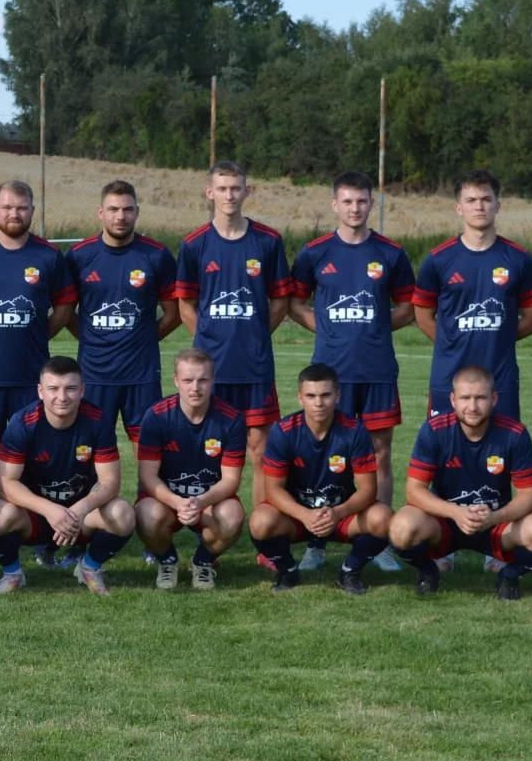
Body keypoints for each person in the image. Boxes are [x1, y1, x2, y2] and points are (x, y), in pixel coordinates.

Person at [288, 170, 417, 576]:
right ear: (335, 205)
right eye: (347, 201)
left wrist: (375, 326)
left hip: (376, 371)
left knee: (379, 455)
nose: (355, 208)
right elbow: (294, 303)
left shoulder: (391, 253)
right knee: (324, 458)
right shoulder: (314, 253)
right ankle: (317, 540)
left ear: (371, 203)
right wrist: (327, 329)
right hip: (330, 375)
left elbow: (409, 307)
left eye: (362, 201)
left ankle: (377, 541)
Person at [388, 366, 532, 600]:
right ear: (453, 400)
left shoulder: (514, 433)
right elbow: (414, 490)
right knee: (400, 528)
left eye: (480, 398)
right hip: (445, 522)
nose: (473, 406)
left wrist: (495, 517)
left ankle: (509, 576)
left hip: (495, 522)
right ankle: (428, 570)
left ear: (494, 399)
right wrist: (456, 512)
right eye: (465, 398)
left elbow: (529, 494)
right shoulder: (434, 430)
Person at [0, 181, 77, 475]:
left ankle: (25, 507)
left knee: (34, 457)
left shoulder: (49, 255)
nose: (14, 214)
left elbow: (65, 306)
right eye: (7, 207)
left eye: (21, 208)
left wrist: (38, 334)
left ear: (32, 210)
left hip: (31, 377)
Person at [175, 160, 293, 465]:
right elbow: (185, 305)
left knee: (260, 448)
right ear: (210, 192)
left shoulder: (268, 241)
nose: (229, 195)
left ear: (247, 191)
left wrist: (257, 334)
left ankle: (261, 504)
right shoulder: (193, 244)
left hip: (255, 365)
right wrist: (207, 339)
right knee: (210, 448)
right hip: (211, 367)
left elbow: (281, 301)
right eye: (222, 189)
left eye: (235, 189)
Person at [0, 356, 134, 595]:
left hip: (80, 516)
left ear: (82, 390)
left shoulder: (97, 421)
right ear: (40, 391)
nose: (62, 397)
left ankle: (89, 567)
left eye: (70, 388)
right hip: (35, 514)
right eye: (53, 389)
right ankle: (13, 573)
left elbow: (110, 481)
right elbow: (5, 483)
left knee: (123, 513)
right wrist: (49, 509)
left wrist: (79, 510)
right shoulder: (22, 423)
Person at [412, 170, 532, 423]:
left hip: (500, 379)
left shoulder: (519, 258)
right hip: (448, 378)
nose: (479, 206)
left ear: (497, 205)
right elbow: (422, 313)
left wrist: (500, 336)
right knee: (444, 445)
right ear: (459, 208)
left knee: (502, 446)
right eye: (471, 200)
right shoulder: (438, 259)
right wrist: (451, 341)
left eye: (486, 199)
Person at [249, 364, 393, 596]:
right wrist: (304, 515)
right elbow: (273, 489)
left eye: (325, 395)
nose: (318, 403)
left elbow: (368, 490)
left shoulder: (355, 430)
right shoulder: (283, 431)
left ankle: (349, 571)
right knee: (260, 521)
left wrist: (337, 512)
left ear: (337, 396)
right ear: (300, 398)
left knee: (384, 518)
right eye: (311, 396)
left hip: (340, 515)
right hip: (298, 517)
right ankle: (287, 570)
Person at [68, 179, 180, 443]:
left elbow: (174, 313)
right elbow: (65, 312)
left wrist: (143, 338)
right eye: (113, 209)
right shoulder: (78, 256)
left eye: (127, 209)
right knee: (90, 446)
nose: (120, 216)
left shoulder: (157, 255)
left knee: (148, 445)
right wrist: (91, 337)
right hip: (94, 374)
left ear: (137, 212)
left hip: (141, 373)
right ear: (101, 212)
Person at [133, 348, 247, 590]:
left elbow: (231, 480)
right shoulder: (156, 416)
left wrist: (199, 501)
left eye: (202, 380)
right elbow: (147, 476)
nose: (195, 388)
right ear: (176, 380)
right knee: (145, 514)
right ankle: (167, 560)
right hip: (167, 501)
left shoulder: (232, 419)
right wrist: (178, 503)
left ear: (213, 380)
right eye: (187, 380)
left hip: (208, 500)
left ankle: (203, 562)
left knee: (233, 515)